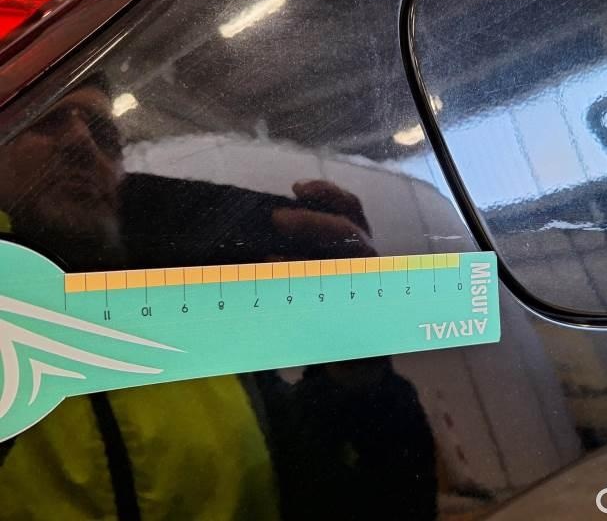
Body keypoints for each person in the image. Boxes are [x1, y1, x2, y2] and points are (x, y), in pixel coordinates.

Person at [0, 76, 437, 520]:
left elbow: (358, 505)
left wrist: (359, 381)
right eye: (44, 118)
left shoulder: (195, 331)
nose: (82, 142)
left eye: (104, 136)